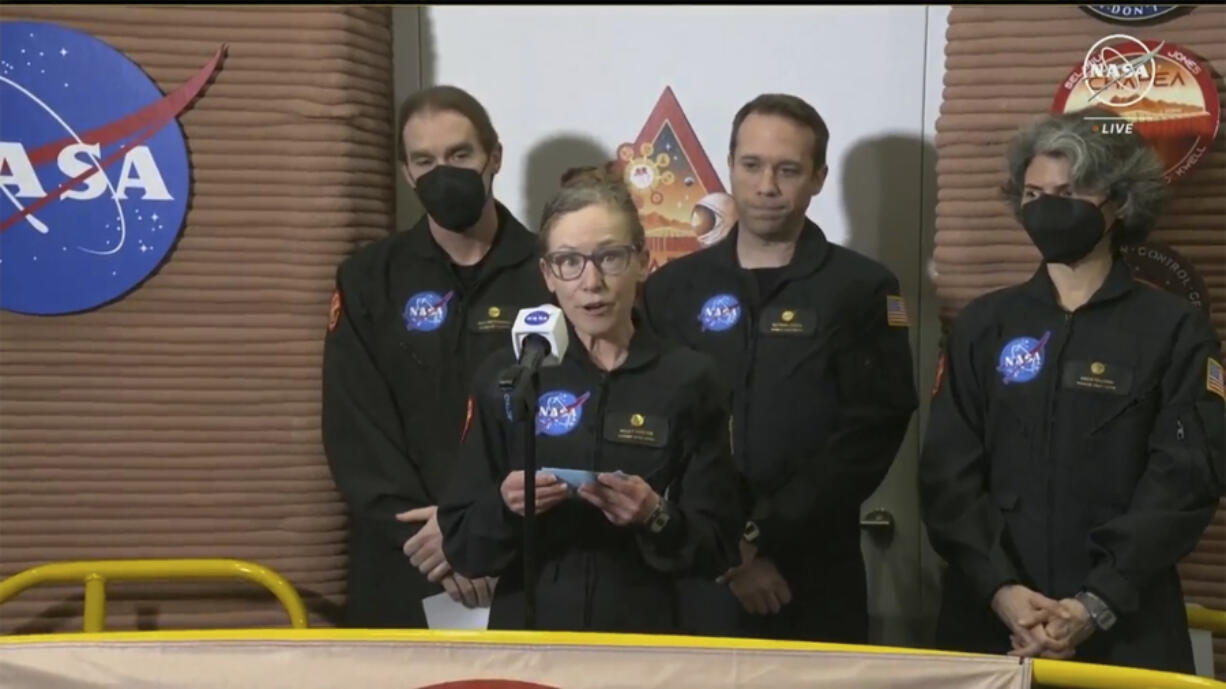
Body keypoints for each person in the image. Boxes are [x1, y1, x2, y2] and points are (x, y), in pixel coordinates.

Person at [919, 107, 1225, 673]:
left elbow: (1186, 481)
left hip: (1127, 625)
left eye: (1069, 191)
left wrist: (1095, 603)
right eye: (1034, 193)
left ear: (1119, 201)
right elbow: (946, 474)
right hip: (989, 625)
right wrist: (1000, 589)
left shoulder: (1175, 330)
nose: (1048, 207)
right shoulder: (984, 326)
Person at [642, 93, 919, 643]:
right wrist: (729, 551)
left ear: (818, 178)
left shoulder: (862, 289)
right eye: (752, 165)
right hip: (696, 569)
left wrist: (759, 536)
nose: (767, 186)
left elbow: (870, 431)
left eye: (788, 170)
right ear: (730, 167)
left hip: (812, 571)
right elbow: (656, 427)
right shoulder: (671, 290)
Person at [437, 169, 743, 632]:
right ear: (547, 275)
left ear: (643, 261)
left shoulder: (689, 378)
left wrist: (655, 517)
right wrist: (505, 507)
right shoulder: (511, 375)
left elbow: (719, 545)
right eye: (569, 261)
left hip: (651, 639)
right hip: (531, 636)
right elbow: (462, 543)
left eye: (610, 257)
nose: (591, 281)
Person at [321, 85, 552, 628]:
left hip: (524, 559)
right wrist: (433, 540)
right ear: (406, 172)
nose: (442, 172)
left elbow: (572, 417)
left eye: (460, 155)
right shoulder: (368, 278)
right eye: (424, 160)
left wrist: (483, 531)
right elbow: (355, 425)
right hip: (408, 559)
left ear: (494, 156)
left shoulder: (554, 273)